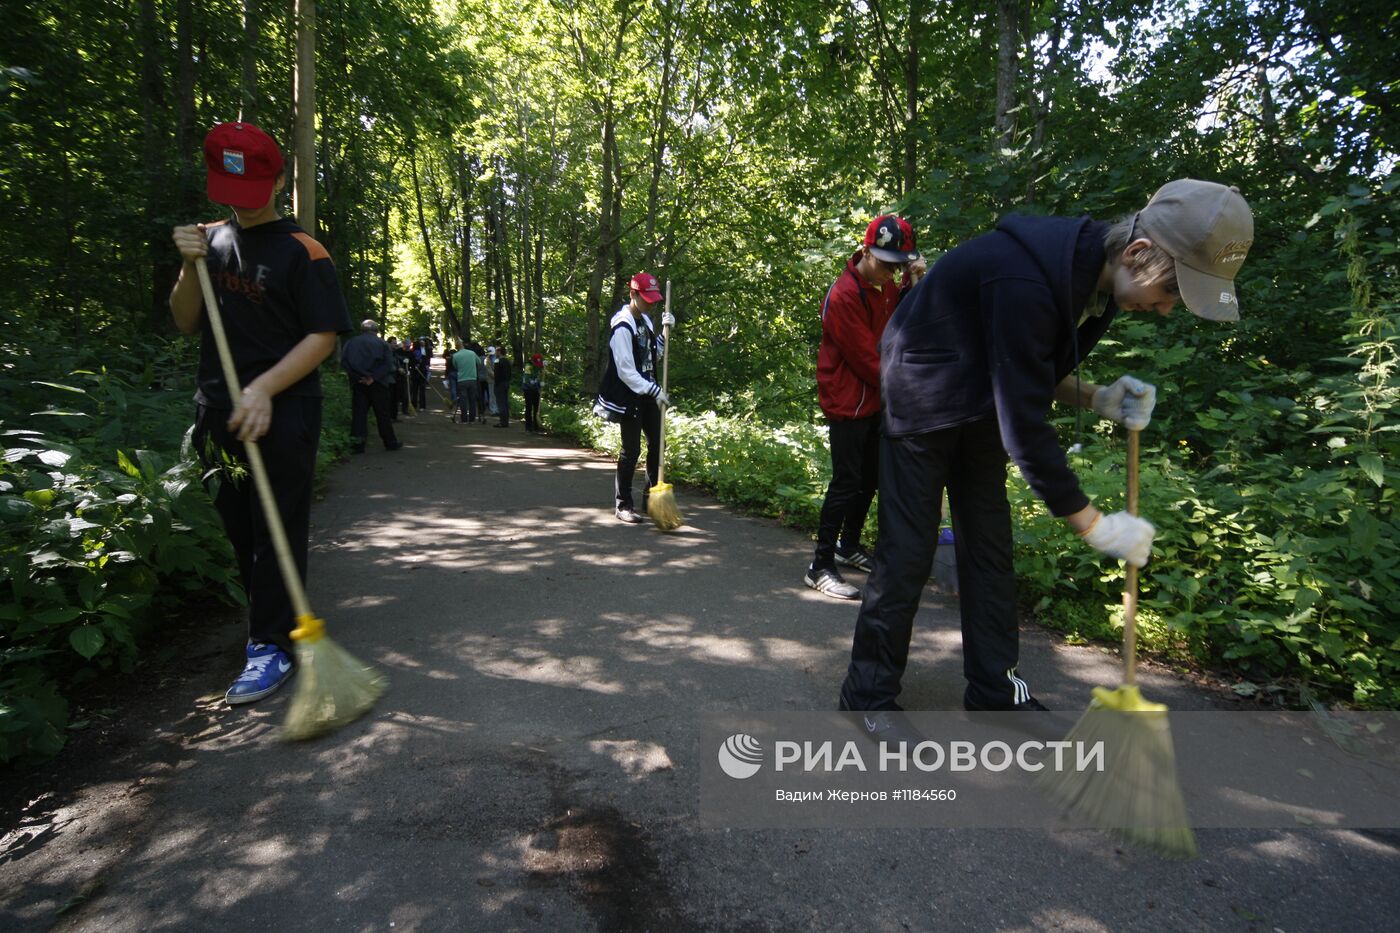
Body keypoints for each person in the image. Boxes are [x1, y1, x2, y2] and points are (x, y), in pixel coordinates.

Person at [838, 179, 1253, 730]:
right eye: (1172, 293)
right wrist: (1096, 526)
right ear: (1137, 253)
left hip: (981, 398)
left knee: (990, 550)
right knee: (907, 553)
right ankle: (865, 694)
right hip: (923, 395)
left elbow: (1027, 369)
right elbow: (1024, 425)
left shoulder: (1095, 286)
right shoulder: (1027, 276)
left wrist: (1096, 397)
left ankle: (992, 689)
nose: (1168, 311)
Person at [169, 120, 352, 706]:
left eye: (252, 192)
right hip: (217, 408)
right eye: (229, 190)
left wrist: (264, 389)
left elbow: (323, 336)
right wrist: (186, 265)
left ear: (278, 181)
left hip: (284, 409)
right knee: (241, 528)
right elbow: (184, 319)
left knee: (277, 528)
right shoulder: (210, 240)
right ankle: (271, 622)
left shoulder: (304, 252)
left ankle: (269, 643)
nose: (240, 206)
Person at [805, 215, 926, 601]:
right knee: (846, 481)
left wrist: (913, 282)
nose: (892, 272)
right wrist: (918, 392)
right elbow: (869, 361)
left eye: (898, 264)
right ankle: (820, 565)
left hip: (874, 400)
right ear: (866, 250)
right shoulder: (843, 296)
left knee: (870, 477)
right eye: (887, 263)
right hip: (847, 400)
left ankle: (848, 544)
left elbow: (898, 320)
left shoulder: (885, 284)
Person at [594, 272, 676, 523]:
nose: (650, 303)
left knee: (657, 445)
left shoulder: (647, 322)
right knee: (631, 449)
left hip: (648, 392)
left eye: (654, 300)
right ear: (632, 294)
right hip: (629, 395)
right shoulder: (622, 326)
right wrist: (655, 391)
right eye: (646, 299)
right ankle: (624, 505)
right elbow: (627, 371)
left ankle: (653, 499)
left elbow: (653, 357)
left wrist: (664, 331)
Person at [341, 319, 402, 453]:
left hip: (359, 383)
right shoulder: (382, 344)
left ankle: (357, 444)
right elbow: (388, 364)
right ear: (376, 330)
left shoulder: (351, 343)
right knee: (383, 414)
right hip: (379, 383)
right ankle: (390, 442)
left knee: (359, 414)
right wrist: (373, 377)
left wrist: (359, 377)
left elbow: (344, 362)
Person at [453, 342, 481, 425]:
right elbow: (479, 362)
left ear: (456, 347)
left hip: (462, 380)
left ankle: (464, 419)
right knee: (472, 399)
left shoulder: (455, 356)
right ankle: (472, 419)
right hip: (472, 379)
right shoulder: (472, 353)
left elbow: (455, 366)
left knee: (463, 400)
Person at [388, 337, 411, 419]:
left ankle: (394, 416)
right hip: (390, 379)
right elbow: (389, 364)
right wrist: (398, 369)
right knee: (391, 398)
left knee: (395, 398)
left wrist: (404, 359)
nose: (396, 344)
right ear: (389, 343)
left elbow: (398, 358)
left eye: (396, 342)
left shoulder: (394, 352)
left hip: (396, 378)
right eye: (394, 343)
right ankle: (390, 417)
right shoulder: (388, 352)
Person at [522, 353, 544, 433]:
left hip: (535, 390)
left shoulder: (538, 367)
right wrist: (536, 383)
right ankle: (528, 426)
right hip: (528, 390)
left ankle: (536, 426)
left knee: (536, 408)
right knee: (529, 408)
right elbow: (527, 381)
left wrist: (540, 383)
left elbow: (540, 375)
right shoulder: (528, 367)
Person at [492, 345, 513, 427]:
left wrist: (496, 382)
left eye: (497, 351)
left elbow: (496, 375)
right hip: (506, 383)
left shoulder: (497, 361)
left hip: (499, 384)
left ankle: (502, 422)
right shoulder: (508, 361)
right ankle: (505, 421)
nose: (495, 353)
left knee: (501, 403)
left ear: (499, 352)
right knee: (505, 402)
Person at [473, 342, 491, 423]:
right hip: (487, 380)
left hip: (479, 380)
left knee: (480, 398)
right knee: (489, 395)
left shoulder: (476, 360)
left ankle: (481, 414)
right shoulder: (487, 359)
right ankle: (490, 410)